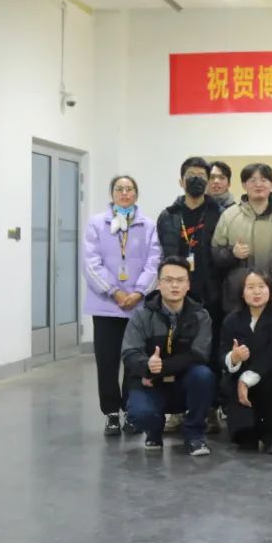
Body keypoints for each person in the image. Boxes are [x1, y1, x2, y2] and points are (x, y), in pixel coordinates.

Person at [83, 175, 161, 436]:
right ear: (112, 193)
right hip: (106, 305)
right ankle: (111, 413)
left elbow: (154, 262)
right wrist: (114, 291)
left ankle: (131, 410)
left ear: (136, 194)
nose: (125, 193)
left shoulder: (148, 225)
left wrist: (139, 293)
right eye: (119, 189)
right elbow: (91, 263)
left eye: (129, 189)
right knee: (107, 362)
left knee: (134, 362)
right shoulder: (96, 223)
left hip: (137, 307)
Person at [121, 256, 217, 455]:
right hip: (150, 385)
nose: (174, 285)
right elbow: (130, 353)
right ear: (158, 284)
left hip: (181, 384)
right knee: (139, 414)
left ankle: (194, 435)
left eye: (180, 280)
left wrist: (159, 370)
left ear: (188, 285)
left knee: (204, 376)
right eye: (169, 280)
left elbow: (199, 354)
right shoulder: (142, 315)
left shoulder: (201, 315)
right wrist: (147, 365)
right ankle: (154, 430)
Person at [156, 157, 225, 435]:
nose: (196, 180)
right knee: (176, 352)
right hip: (176, 297)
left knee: (210, 354)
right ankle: (176, 410)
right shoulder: (168, 215)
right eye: (191, 175)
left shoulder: (219, 213)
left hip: (211, 296)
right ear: (181, 180)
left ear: (208, 182)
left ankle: (210, 410)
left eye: (201, 176)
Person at [220, 269, 272, 453]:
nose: (256, 292)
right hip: (241, 376)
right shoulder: (231, 320)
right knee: (245, 440)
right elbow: (222, 353)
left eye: (261, 286)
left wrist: (246, 380)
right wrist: (234, 357)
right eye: (250, 287)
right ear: (242, 293)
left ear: (270, 290)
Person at [212, 163, 272, 313]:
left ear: (271, 184)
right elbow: (216, 254)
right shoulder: (230, 215)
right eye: (252, 180)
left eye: (264, 180)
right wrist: (232, 253)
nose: (258, 184)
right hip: (238, 295)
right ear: (244, 185)